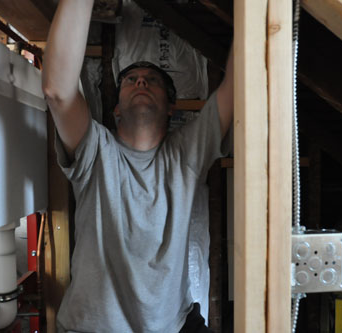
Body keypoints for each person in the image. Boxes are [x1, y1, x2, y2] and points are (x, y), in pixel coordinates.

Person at [42, 0, 233, 332]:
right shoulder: (96, 151)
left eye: (152, 80)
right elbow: (57, 92)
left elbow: (234, 90)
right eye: (130, 79)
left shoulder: (186, 153)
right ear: (116, 110)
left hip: (172, 326)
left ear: (171, 107)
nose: (141, 82)